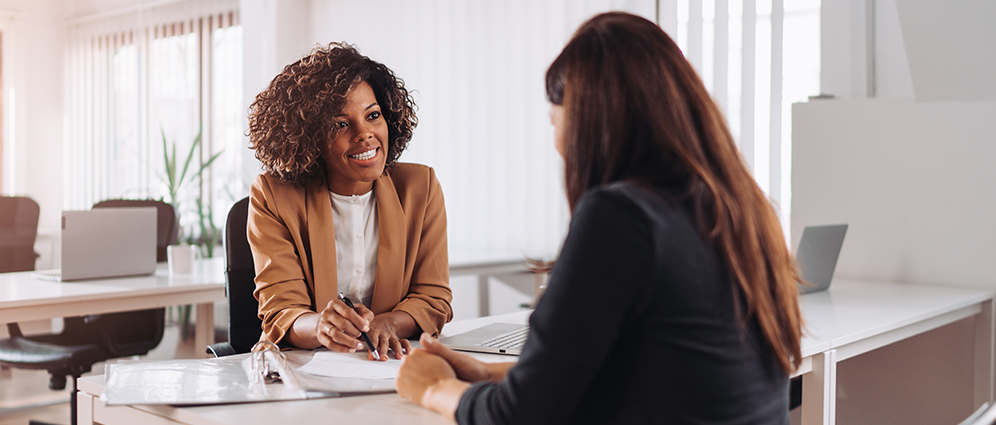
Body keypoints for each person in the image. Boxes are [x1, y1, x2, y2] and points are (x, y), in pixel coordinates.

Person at [395, 12, 803, 423]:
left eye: (555, 122)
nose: (557, 144)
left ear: (589, 122)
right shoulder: (744, 208)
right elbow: (652, 370)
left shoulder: (621, 217)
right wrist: (487, 372)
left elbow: (520, 417)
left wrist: (433, 388)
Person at [246, 42, 452, 361]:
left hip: (388, 365)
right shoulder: (273, 195)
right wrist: (320, 327)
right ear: (310, 136)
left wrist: (388, 324)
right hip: (302, 369)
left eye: (373, 115)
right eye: (341, 124)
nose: (365, 134)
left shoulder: (420, 188)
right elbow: (282, 311)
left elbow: (433, 298)